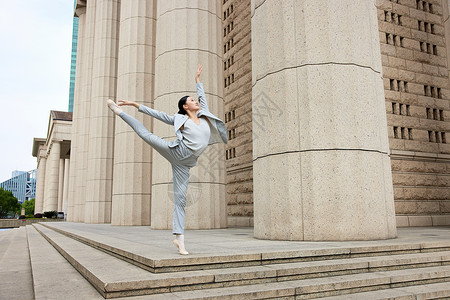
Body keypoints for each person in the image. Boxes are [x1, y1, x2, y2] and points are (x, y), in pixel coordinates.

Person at [107, 65, 227, 255]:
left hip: (186, 164)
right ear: (185, 107)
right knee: (145, 134)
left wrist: (197, 80)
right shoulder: (181, 120)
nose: (195, 102)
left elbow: (203, 99)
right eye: (191, 101)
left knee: (180, 199)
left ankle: (179, 240)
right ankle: (119, 112)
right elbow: (159, 115)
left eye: (195, 100)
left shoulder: (204, 118)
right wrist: (134, 105)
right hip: (176, 152)